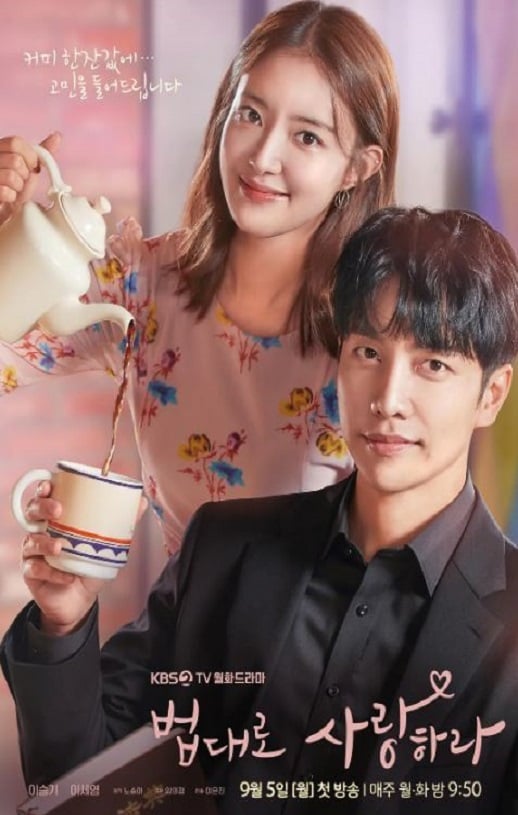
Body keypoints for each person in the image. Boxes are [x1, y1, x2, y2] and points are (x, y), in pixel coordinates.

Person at [3, 206, 518, 815]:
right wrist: (64, 623)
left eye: (433, 365)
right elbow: (84, 787)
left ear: (491, 394)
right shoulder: (225, 548)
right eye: (367, 352)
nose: (389, 399)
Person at [0, 1, 399, 555]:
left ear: (357, 168)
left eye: (307, 137)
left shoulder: (377, 331)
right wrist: (10, 242)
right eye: (251, 115)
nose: (263, 157)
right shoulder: (142, 285)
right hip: (177, 612)